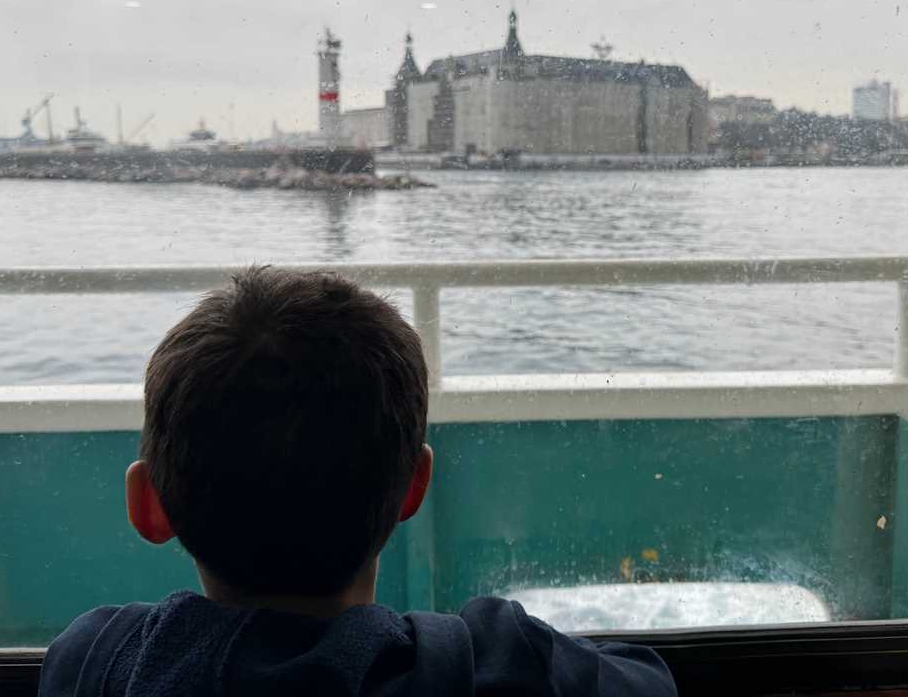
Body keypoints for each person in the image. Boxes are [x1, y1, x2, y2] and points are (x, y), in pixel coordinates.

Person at [39, 266, 676, 696]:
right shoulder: (499, 664)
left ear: (148, 506)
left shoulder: (94, 660)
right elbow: (651, 682)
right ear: (414, 487)